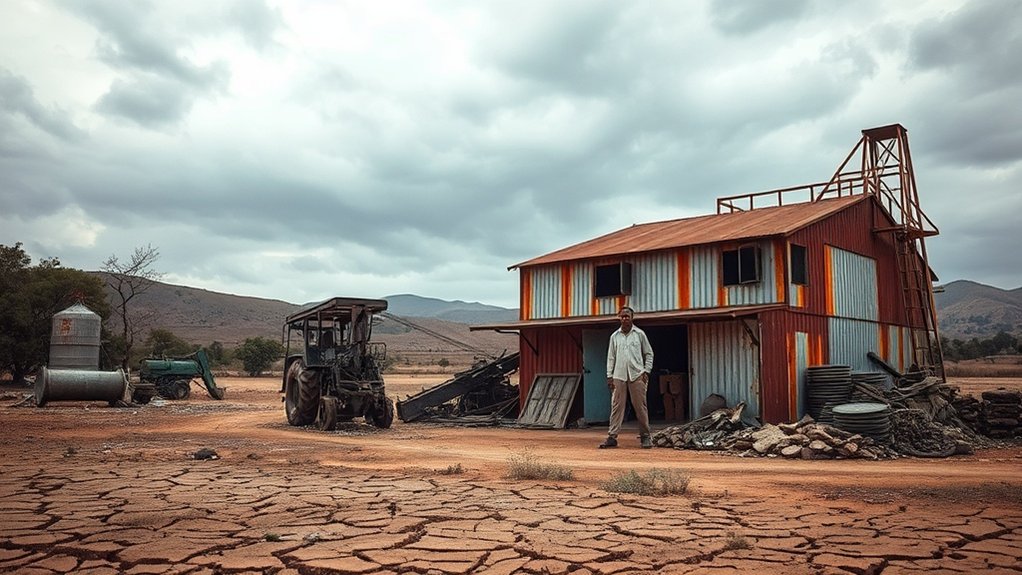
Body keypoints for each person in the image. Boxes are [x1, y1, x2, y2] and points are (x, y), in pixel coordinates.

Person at [599, 306, 654, 449]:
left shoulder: (639, 334)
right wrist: (609, 376)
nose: (625, 319)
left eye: (627, 316)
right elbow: (611, 357)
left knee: (640, 407)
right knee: (616, 406)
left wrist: (646, 371)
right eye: (622, 317)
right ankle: (612, 437)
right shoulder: (614, 336)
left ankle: (645, 437)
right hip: (618, 375)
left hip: (637, 375)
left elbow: (649, 353)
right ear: (620, 318)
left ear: (632, 318)